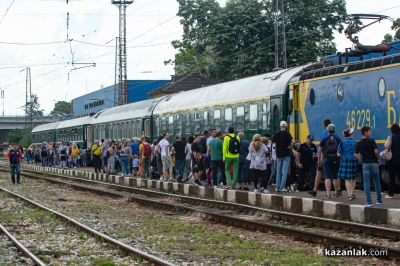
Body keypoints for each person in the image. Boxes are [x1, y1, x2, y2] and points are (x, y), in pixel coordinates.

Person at [356, 126, 382, 206]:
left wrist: (360, 158)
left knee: (366, 183)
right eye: (369, 131)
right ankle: (379, 201)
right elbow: (376, 151)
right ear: (365, 132)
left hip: (365, 164)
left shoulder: (359, 142)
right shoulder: (372, 140)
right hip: (374, 163)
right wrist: (377, 158)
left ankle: (369, 202)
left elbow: (356, 153)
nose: (370, 133)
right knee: (377, 182)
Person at [308, 118, 331, 197]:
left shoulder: (324, 133)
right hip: (334, 157)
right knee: (335, 175)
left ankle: (315, 190)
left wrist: (319, 159)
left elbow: (320, 147)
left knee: (319, 172)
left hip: (324, 157)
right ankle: (337, 192)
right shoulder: (334, 133)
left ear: (324, 125)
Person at [319, 124, 342, 198]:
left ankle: (328, 194)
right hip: (336, 160)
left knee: (327, 177)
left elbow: (320, 150)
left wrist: (320, 159)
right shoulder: (338, 139)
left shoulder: (324, 139)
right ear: (334, 130)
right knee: (336, 177)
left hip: (326, 160)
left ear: (327, 130)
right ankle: (336, 193)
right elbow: (341, 149)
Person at [337, 129, 358, 200]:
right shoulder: (355, 143)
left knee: (347, 179)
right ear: (351, 134)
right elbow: (357, 153)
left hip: (345, 161)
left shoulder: (342, 142)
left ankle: (349, 195)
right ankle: (352, 194)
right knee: (353, 178)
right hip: (354, 161)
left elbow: (338, 154)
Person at [273, 121, 293, 192]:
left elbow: (273, 142)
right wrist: (289, 147)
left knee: (278, 171)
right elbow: (292, 142)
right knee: (284, 171)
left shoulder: (276, 134)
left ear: (280, 126)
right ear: (286, 127)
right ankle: (282, 187)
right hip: (286, 154)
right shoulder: (288, 134)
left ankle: (277, 187)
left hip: (279, 154)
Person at [384, 124, 400, 199]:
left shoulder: (391, 137)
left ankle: (390, 194)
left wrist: (389, 137)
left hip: (393, 161)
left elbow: (386, 146)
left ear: (392, 130)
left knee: (392, 178)